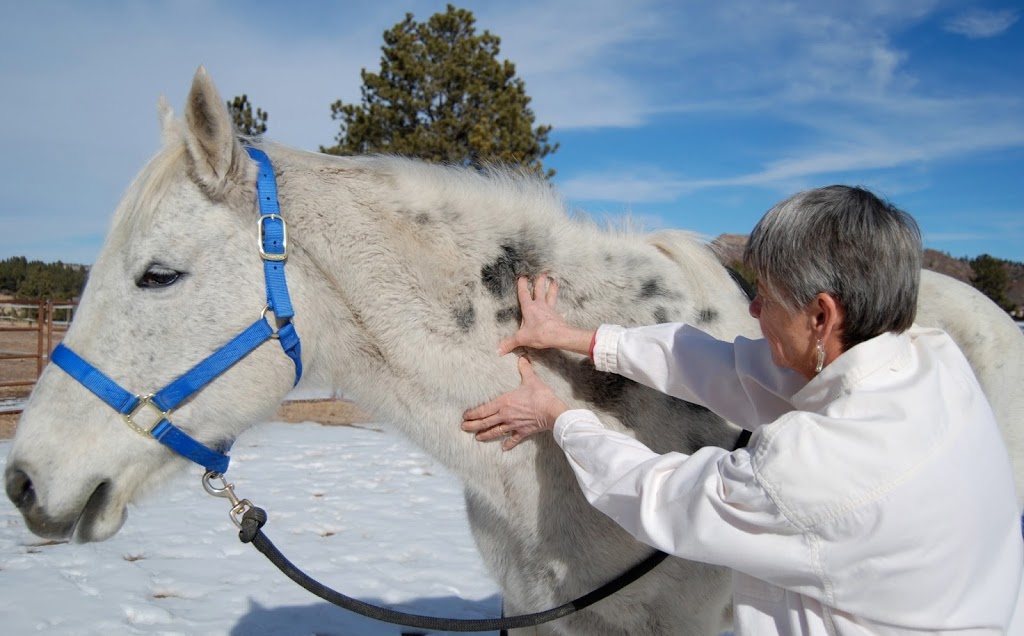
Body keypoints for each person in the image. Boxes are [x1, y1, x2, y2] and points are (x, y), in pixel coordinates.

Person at [461, 186, 1023, 634]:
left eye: (766, 297)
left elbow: (661, 496)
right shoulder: (930, 361)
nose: (751, 310)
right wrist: (577, 337)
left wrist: (560, 418)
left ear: (822, 316)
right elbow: (729, 366)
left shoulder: (823, 466)